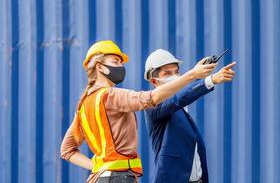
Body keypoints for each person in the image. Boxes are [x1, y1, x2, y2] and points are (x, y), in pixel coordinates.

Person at [60, 41, 218, 183]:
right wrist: (193, 75)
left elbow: (67, 150)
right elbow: (151, 98)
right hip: (119, 178)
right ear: (99, 67)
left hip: (98, 178)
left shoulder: (83, 105)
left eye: (121, 63)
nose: (120, 66)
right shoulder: (111, 95)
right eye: (115, 61)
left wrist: (98, 165)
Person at [144, 49, 236, 183]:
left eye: (176, 72)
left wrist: (198, 75)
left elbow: (183, 95)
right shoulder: (153, 106)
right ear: (154, 82)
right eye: (168, 73)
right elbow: (179, 98)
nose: (175, 76)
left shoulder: (179, 108)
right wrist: (209, 79)